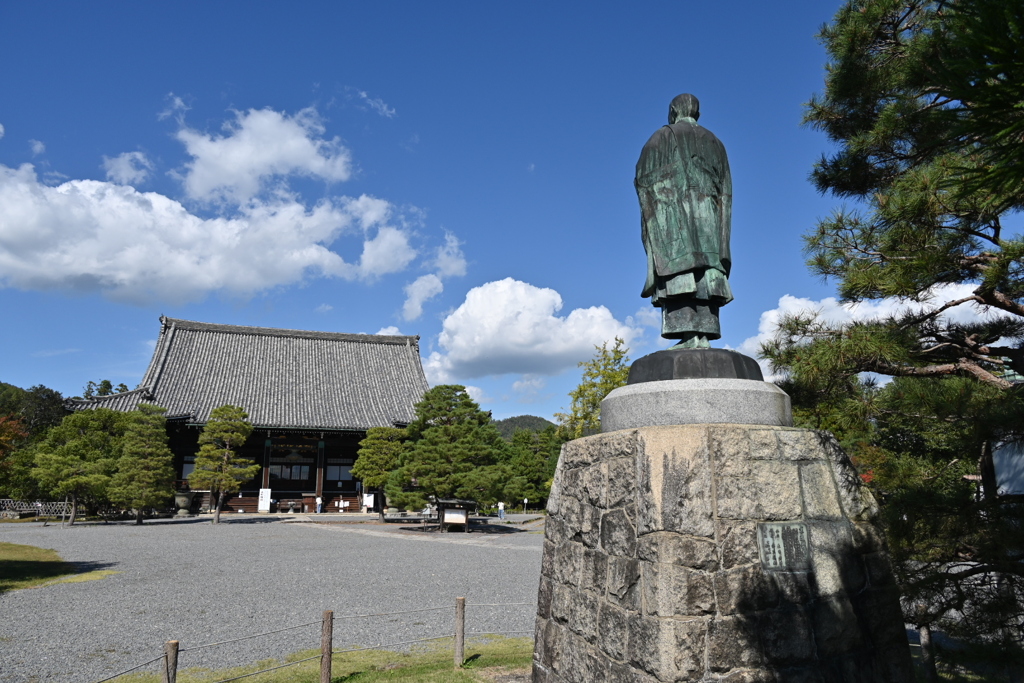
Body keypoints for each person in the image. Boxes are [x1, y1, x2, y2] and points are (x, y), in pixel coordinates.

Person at [635, 93, 733, 348]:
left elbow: (644, 179)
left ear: (673, 111)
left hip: (676, 223)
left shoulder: (663, 136)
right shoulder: (716, 142)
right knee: (705, 273)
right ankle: (702, 336)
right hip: (709, 221)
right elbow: (726, 192)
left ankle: (691, 334)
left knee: (682, 271)